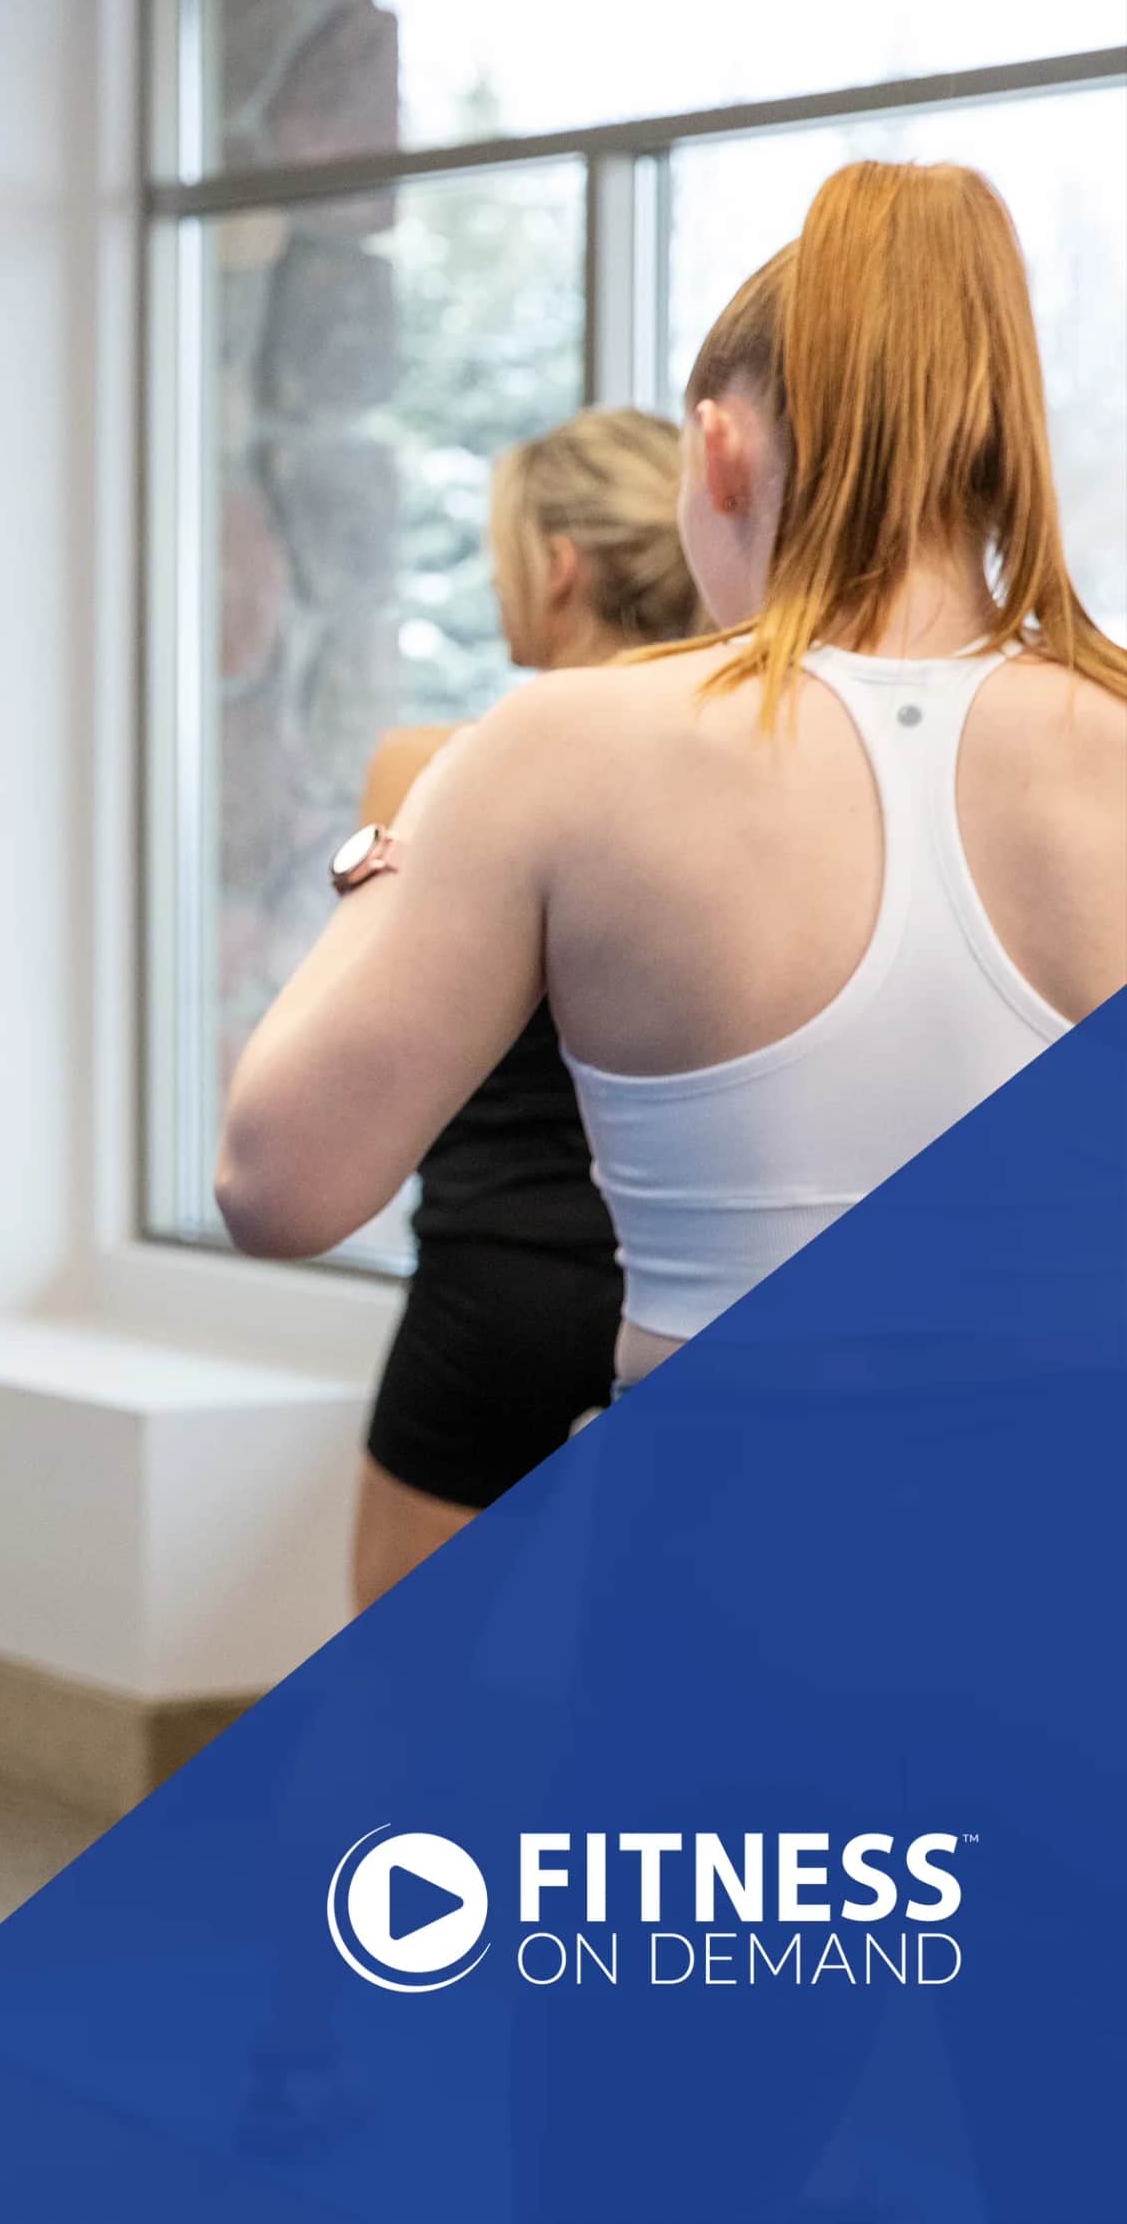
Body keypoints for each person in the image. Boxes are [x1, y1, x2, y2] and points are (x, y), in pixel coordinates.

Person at [220, 162, 1126, 1385]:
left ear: (720, 451)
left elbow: (274, 1187)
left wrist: (390, 842)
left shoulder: (561, 745)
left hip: (715, 1549)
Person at [344, 409, 703, 1607]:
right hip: (691, 1286)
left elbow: (354, 1047)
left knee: (405, 1686)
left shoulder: (437, 766)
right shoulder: (761, 779)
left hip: (497, 1285)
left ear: (558, 566)